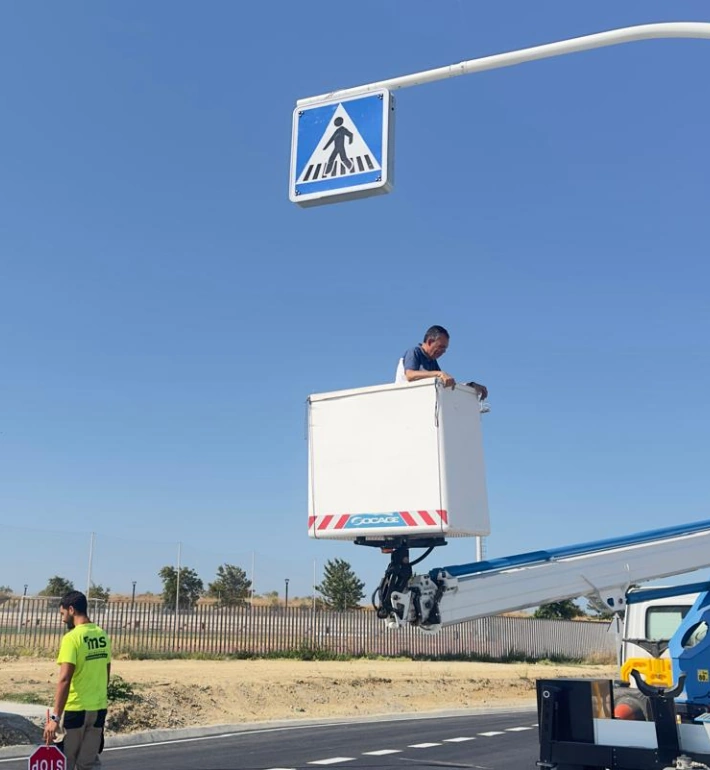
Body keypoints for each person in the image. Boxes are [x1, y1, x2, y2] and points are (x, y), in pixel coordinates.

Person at [43, 590, 111, 770]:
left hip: (75, 711)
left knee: (65, 762)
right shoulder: (101, 635)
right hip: (98, 711)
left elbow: (64, 679)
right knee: (88, 764)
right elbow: (106, 673)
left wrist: (55, 718)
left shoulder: (72, 638)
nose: (62, 619)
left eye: (62, 614)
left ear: (71, 609)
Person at [395, 325, 488, 400]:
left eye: (445, 348)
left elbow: (446, 384)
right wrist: (439, 373)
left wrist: (470, 386)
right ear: (430, 341)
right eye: (441, 347)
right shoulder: (414, 352)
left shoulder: (432, 362)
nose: (443, 351)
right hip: (405, 400)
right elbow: (410, 375)